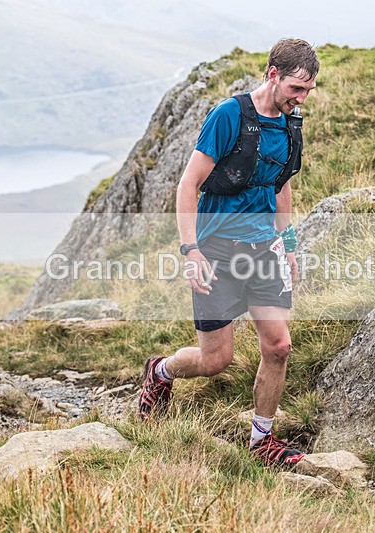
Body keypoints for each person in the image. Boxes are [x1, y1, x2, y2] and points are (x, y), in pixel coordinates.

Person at [136, 38, 319, 466]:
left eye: (309, 90)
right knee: (216, 360)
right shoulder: (228, 116)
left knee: (278, 346)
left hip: (264, 251)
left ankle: (262, 442)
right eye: (296, 88)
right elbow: (188, 184)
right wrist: (191, 251)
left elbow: (281, 185)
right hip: (216, 250)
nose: (302, 98)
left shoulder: (292, 125)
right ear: (272, 74)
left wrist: (287, 244)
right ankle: (160, 371)